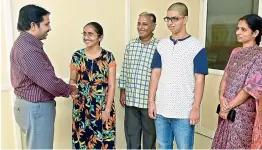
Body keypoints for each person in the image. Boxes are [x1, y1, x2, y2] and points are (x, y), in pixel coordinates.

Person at [10, 4, 78, 149]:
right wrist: (70, 89)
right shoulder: (28, 49)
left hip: (31, 107)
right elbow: (49, 82)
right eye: (46, 24)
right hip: (36, 109)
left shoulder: (25, 44)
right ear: (33, 25)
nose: (49, 28)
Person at [148, 2, 208, 149]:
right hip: (161, 109)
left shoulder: (197, 47)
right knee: (163, 146)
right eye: (167, 19)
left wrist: (195, 108)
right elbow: (155, 75)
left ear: (185, 19)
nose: (170, 23)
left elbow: (200, 81)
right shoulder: (161, 45)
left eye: (175, 19)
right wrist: (151, 101)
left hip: (184, 112)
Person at [211, 14, 262, 149]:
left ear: (255, 33)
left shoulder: (259, 55)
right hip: (226, 109)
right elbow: (226, 76)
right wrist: (222, 98)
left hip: (242, 115)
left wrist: (229, 106)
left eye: (243, 29)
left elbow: (250, 87)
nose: (238, 32)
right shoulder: (236, 52)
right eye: (238, 28)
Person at [70, 22, 117, 149]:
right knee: (83, 141)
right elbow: (72, 79)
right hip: (81, 107)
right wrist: (73, 91)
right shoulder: (77, 56)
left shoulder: (108, 56)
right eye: (84, 34)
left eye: (90, 34)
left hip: (102, 106)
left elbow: (112, 85)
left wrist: (107, 110)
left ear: (100, 37)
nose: (86, 37)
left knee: (103, 142)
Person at [118, 12, 158, 149]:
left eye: (145, 24)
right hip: (131, 101)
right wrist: (122, 91)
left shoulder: (159, 48)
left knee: (149, 139)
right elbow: (124, 70)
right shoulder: (131, 45)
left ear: (153, 26)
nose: (141, 27)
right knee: (131, 139)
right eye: (139, 23)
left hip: (149, 103)